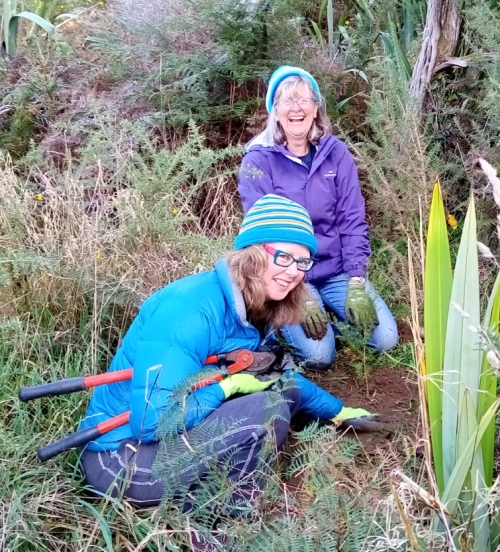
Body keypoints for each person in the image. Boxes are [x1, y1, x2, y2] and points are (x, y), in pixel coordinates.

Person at [80, 194, 366, 520]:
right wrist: (227, 388)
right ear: (253, 255)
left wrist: (339, 411)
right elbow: (151, 422)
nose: (294, 272)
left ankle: (219, 500)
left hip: (163, 443)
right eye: (284, 257)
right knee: (262, 410)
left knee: (279, 394)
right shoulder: (188, 311)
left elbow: (277, 380)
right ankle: (222, 522)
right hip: (121, 462)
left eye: (303, 262)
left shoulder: (251, 306)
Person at [238, 66, 399, 371]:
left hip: (335, 269)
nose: (296, 108)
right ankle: (281, 327)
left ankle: (326, 320)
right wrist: (298, 291)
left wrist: (355, 281)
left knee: (386, 339)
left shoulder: (336, 153)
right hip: (289, 272)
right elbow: (263, 232)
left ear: (316, 108)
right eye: (286, 101)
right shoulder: (256, 161)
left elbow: (352, 220)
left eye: (304, 100)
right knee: (318, 357)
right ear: (275, 110)